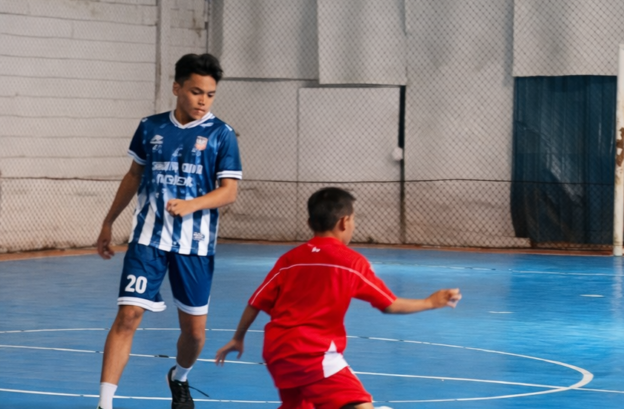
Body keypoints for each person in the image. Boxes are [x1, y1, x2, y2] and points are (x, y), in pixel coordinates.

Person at [215, 187, 462, 409]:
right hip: (313, 354)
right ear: (344, 222)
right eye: (354, 219)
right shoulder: (351, 262)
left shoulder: (289, 260)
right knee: (360, 405)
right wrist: (430, 302)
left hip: (277, 352)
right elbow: (389, 304)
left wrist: (237, 338)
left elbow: (255, 302)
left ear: (310, 222)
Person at [94, 53, 242, 409]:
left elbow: (229, 191)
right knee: (128, 316)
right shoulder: (150, 127)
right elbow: (134, 175)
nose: (203, 100)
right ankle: (104, 403)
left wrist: (192, 204)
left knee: (195, 334)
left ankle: (179, 377)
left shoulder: (222, 135)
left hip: (195, 247)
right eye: (195, 92)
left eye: (210, 94)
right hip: (148, 241)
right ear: (177, 88)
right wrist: (109, 221)